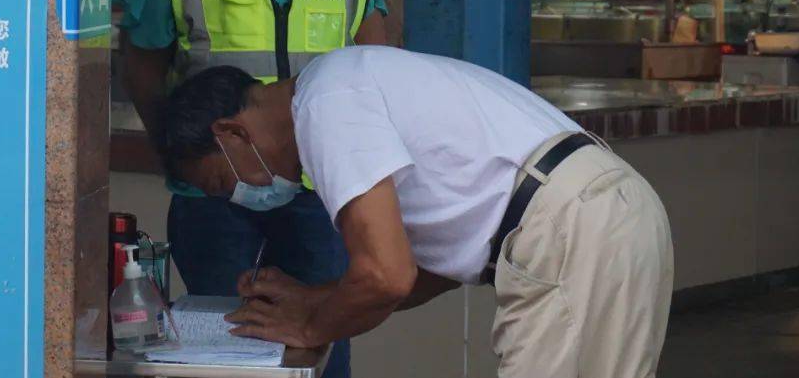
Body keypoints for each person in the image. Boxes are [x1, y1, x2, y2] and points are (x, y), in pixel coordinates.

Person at [113, 0, 404, 378]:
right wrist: (182, 152)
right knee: (225, 339)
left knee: (327, 331)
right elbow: (142, 61)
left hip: (324, 180)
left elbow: (374, 50)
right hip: (216, 189)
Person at [156, 46, 675, 378]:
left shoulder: (323, 106)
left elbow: (387, 277)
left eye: (224, 183)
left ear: (231, 133)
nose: (239, 197)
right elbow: (432, 269)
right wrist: (317, 298)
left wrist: (311, 330)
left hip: (572, 224)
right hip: (606, 212)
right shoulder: (343, 87)